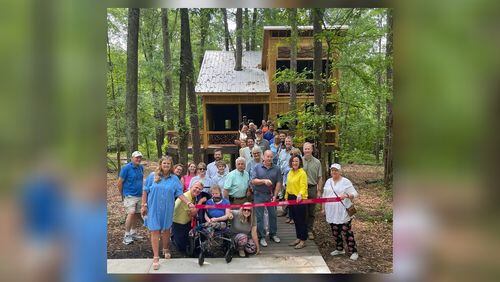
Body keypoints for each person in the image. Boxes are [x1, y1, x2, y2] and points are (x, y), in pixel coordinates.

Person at [141, 156, 195, 270]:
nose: (166, 165)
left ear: (171, 166)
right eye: (164, 163)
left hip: (167, 209)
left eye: (168, 164)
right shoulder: (152, 176)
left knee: (166, 230)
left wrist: (189, 203)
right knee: (155, 230)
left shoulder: (174, 179)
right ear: (161, 164)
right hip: (153, 208)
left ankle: (165, 248)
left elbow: (179, 194)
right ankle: (156, 257)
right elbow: (145, 191)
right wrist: (143, 205)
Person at [321, 163, 359, 260]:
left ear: (340, 171)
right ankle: (339, 249)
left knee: (346, 231)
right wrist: (323, 208)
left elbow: (355, 193)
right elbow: (324, 196)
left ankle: (353, 251)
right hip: (331, 211)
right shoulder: (328, 182)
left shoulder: (345, 181)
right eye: (332, 170)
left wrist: (346, 196)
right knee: (335, 231)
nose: (334, 172)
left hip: (343, 211)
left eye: (336, 170)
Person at [251, 150, 282, 247]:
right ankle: (262, 236)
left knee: (273, 215)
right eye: (267, 156)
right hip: (259, 195)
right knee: (259, 217)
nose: (269, 158)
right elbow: (253, 181)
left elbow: (278, 182)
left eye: (271, 157)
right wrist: (264, 181)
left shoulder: (276, 168)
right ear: (263, 157)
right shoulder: (257, 167)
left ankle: (273, 234)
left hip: (270, 195)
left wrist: (275, 195)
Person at [117, 151, 145, 245]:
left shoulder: (141, 167)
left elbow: (141, 180)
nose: (138, 159)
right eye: (136, 157)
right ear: (132, 158)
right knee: (131, 213)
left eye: (140, 157)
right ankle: (126, 235)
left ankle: (133, 233)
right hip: (129, 195)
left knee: (136, 214)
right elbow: (119, 182)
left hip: (139, 195)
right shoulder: (126, 168)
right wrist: (123, 194)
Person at [172, 181, 203, 255]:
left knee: (191, 245)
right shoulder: (186, 197)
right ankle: (173, 238)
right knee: (182, 249)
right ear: (191, 187)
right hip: (178, 223)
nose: (197, 190)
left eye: (200, 189)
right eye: (196, 187)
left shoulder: (192, 196)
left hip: (186, 222)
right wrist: (200, 202)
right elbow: (193, 213)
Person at [285, 155, 308, 249]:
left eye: (297, 161)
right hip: (291, 197)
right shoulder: (290, 172)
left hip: (299, 199)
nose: (295, 163)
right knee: (295, 219)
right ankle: (298, 238)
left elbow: (304, 186)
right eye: (293, 161)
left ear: (300, 162)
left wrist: (300, 194)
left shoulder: (302, 173)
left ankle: (303, 240)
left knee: (301, 220)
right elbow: (288, 186)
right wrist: (286, 198)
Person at [302, 142, 323, 240]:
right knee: (302, 210)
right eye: (305, 149)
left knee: (311, 211)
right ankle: (303, 229)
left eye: (308, 149)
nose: (307, 150)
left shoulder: (317, 162)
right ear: (303, 150)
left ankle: (309, 230)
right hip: (301, 189)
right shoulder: (299, 161)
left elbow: (320, 178)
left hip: (312, 188)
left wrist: (319, 191)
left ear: (312, 150)